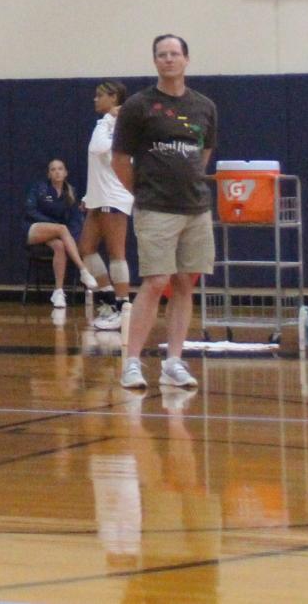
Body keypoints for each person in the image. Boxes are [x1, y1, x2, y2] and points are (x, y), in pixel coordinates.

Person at [113, 35, 218, 390]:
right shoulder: (138, 107)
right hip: (155, 207)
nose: (169, 59)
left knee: (185, 283)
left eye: (175, 54)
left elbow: (203, 155)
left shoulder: (205, 106)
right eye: (162, 55)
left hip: (195, 208)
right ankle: (131, 362)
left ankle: (173, 361)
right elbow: (120, 160)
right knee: (156, 281)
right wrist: (141, 191)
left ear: (187, 59)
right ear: (155, 61)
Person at [79, 81, 134, 330]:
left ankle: (123, 307)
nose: (94, 100)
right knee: (86, 248)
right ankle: (108, 299)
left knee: (116, 252)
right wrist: (89, 196)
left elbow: (98, 147)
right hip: (98, 197)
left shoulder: (118, 124)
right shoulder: (108, 122)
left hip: (114, 197)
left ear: (113, 98)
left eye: (99, 96)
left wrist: (108, 120)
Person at [24, 159, 92, 309]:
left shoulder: (70, 193)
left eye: (60, 169)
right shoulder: (40, 188)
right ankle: (83, 270)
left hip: (56, 235)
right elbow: (30, 210)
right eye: (53, 169)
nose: (57, 172)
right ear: (49, 174)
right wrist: (52, 225)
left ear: (65, 172)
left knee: (61, 246)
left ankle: (58, 292)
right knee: (61, 229)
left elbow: (75, 218)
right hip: (34, 229)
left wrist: (73, 239)